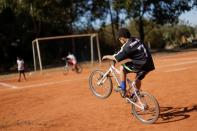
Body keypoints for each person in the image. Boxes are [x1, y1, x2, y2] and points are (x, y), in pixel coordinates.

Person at [102, 28, 155, 97]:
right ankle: (136, 94)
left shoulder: (127, 47)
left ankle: (123, 88)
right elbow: (133, 52)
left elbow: (116, 57)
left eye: (119, 39)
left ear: (122, 38)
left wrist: (106, 56)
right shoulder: (136, 39)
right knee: (138, 78)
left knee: (122, 68)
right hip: (150, 64)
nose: (119, 40)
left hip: (141, 64)